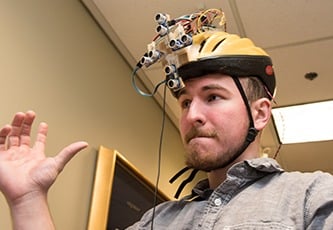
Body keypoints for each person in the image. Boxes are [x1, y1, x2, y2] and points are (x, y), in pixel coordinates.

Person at [0, 10, 333, 230]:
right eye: (185, 102)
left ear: (260, 114)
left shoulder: (312, 196)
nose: (192, 115)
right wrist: (28, 201)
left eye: (213, 97)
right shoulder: (156, 221)